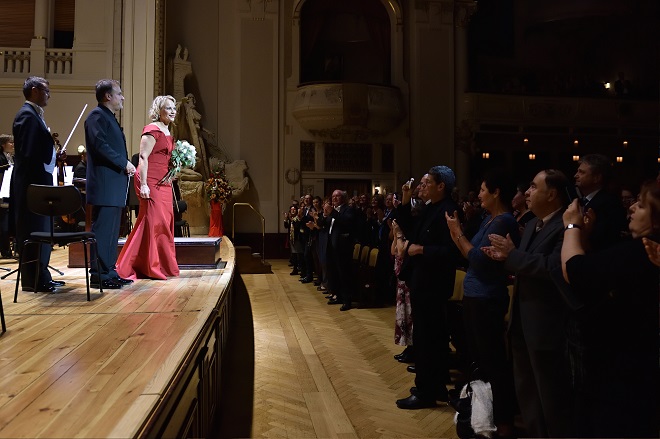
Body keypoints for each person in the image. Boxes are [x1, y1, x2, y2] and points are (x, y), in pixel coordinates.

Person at [561, 181, 659, 437]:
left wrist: (572, 226)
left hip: (624, 366)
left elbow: (576, 272)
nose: (633, 207)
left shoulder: (645, 249)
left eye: (642, 204)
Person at [483, 169, 575, 437]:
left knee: (550, 396)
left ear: (552, 194)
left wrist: (511, 256)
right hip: (522, 318)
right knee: (527, 391)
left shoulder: (564, 226)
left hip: (546, 323)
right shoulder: (534, 224)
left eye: (534, 187)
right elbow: (523, 263)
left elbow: (554, 267)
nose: (527, 193)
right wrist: (505, 257)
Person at [445, 169, 519, 436]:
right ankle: (482, 417)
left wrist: (458, 234)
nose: (479, 194)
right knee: (478, 359)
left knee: (493, 362)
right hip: (476, 296)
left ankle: (504, 424)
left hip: (487, 298)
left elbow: (476, 260)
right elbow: (470, 253)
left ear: (497, 192)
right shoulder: (489, 219)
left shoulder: (503, 222)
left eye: (484, 189)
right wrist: (457, 233)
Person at [394, 166, 460, 409]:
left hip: (433, 284)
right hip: (423, 282)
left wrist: (421, 250)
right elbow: (411, 230)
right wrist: (403, 200)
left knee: (427, 339)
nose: (422, 186)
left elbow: (453, 253)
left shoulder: (449, 210)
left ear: (441, 186)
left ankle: (426, 392)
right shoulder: (432, 208)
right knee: (430, 338)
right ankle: (436, 386)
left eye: (427, 182)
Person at [116, 95, 180, 280]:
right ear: (158, 110)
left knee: (163, 223)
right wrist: (143, 184)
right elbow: (143, 158)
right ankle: (141, 265)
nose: (172, 111)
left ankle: (162, 265)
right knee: (152, 221)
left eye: (174, 108)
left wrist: (173, 171)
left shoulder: (168, 131)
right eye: (168, 108)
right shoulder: (152, 130)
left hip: (164, 182)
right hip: (149, 179)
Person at [12, 76, 62, 292]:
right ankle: (33, 281)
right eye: (46, 90)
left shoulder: (34, 116)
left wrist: (53, 155)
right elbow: (28, 154)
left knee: (41, 230)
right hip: (32, 187)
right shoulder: (27, 116)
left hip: (38, 183)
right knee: (33, 232)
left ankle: (42, 275)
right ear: (34, 90)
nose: (49, 94)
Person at [84, 79, 136, 289]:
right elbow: (100, 145)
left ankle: (109, 272)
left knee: (112, 232)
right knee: (103, 230)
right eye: (119, 93)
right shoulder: (97, 116)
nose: (122, 97)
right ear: (108, 96)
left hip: (113, 184)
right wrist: (123, 162)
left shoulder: (108, 117)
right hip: (106, 184)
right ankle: (99, 274)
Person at [0, 134, 15, 258]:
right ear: (3, 145)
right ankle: (5, 251)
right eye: (10, 142)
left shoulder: (11, 157)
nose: (13, 145)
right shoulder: (1, 158)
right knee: (3, 225)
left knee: (9, 223)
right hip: (2, 194)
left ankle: (11, 249)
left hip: (10, 193)